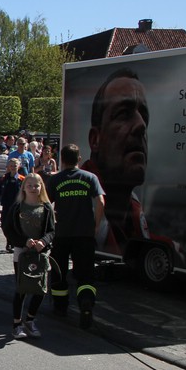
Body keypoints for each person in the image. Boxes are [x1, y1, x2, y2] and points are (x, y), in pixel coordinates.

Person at [81, 68, 149, 256]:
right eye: (123, 114)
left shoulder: (135, 212)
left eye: (144, 115)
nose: (141, 125)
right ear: (95, 139)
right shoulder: (82, 199)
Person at [46, 143, 105, 329]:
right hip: (84, 234)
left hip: (62, 233)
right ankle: (86, 302)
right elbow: (101, 201)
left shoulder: (56, 180)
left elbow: (47, 205)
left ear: (62, 159)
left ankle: (60, 308)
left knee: (59, 271)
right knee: (85, 273)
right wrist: (96, 224)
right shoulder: (90, 178)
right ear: (79, 159)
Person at [2, 173, 56, 339]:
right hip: (22, 252)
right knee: (22, 288)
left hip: (40, 253)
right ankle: (17, 323)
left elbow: (52, 231)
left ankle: (30, 320)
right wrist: (24, 241)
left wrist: (43, 242)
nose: (33, 188)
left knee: (40, 288)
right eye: (30, 185)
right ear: (24, 187)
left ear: (41, 187)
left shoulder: (46, 207)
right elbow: (8, 229)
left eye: (36, 185)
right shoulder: (17, 207)